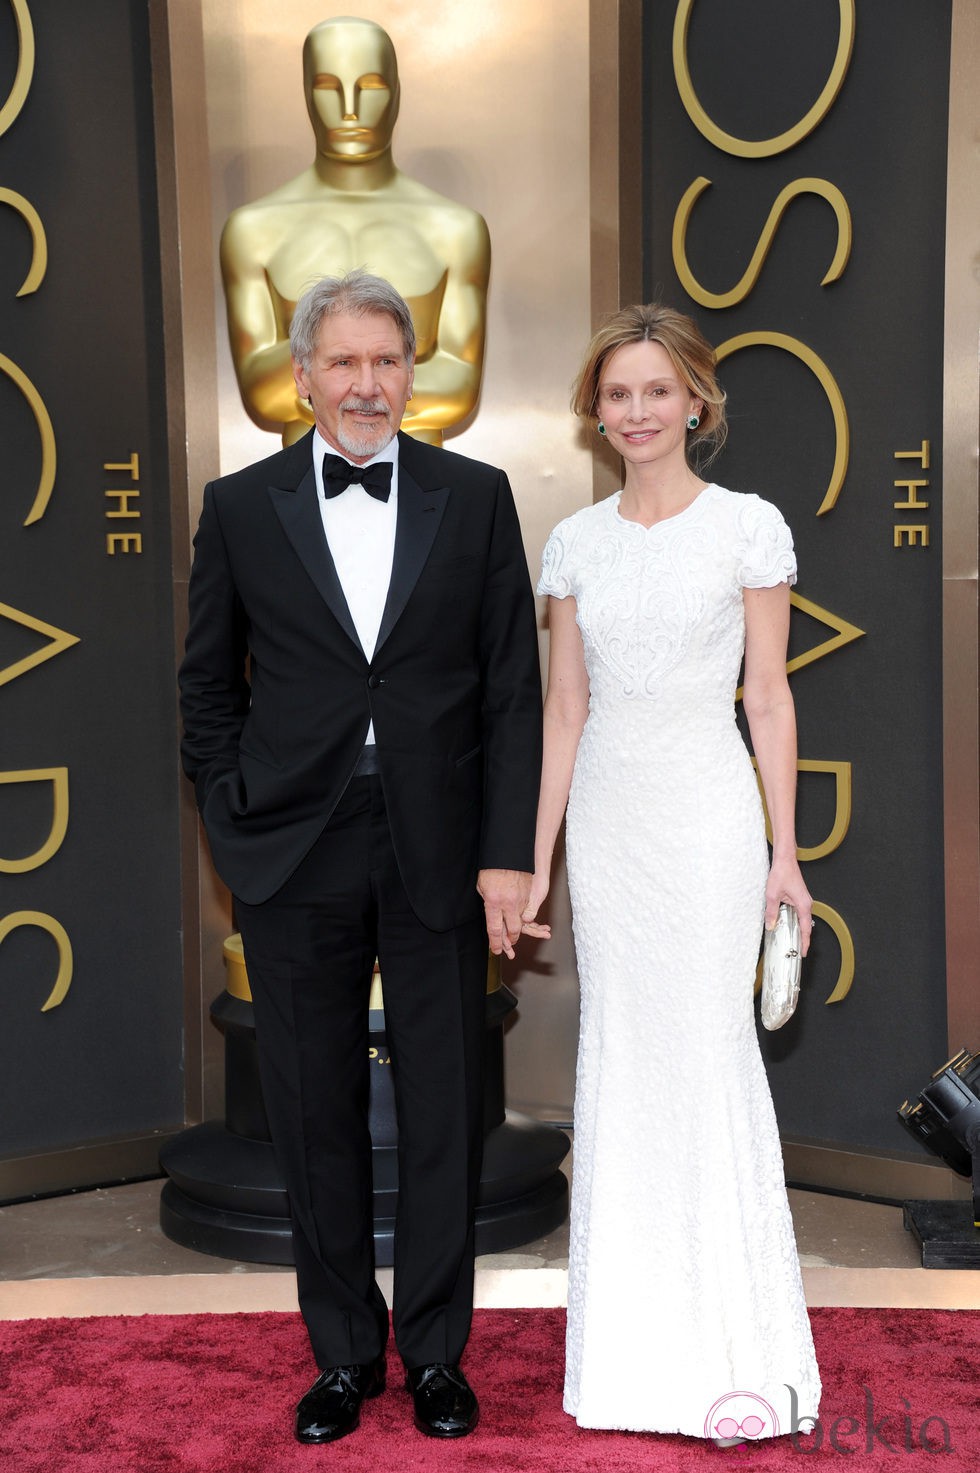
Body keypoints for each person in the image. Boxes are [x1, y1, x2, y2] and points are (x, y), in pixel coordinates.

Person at [178, 270, 541, 1444]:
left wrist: (504, 855)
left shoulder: (475, 498)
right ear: (304, 376)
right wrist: (233, 816)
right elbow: (204, 687)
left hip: (439, 841)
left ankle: (434, 1353)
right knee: (309, 1108)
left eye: (387, 360)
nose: (368, 383)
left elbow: (510, 694)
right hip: (293, 845)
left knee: (443, 1106)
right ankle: (343, 1355)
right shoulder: (238, 507)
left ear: (411, 372)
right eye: (344, 361)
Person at [520, 304, 822, 1438]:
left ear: (694, 401)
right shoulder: (573, 543)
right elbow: (562, 708)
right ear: (592, 413)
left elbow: (767, 698)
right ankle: (630, 1360)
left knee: (704, 1052)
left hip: (702, 816)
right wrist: (538, 855)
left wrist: (783, 854)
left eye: (655, 391)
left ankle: (732, 1350)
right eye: (615, 394)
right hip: (606, 822)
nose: (635, 411)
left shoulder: (746, 528)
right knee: (623, 1058)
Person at [220, 15, 490, 447]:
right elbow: (259, 389)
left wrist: (329, 379)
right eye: (329, 87)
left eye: (371, 87)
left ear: (397, 94)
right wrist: (389, 376)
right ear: (306, 94)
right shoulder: (253, 230)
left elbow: (460, 382)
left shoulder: (456, 229)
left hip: (425, 483)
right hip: (302, 487)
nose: (349, 108)